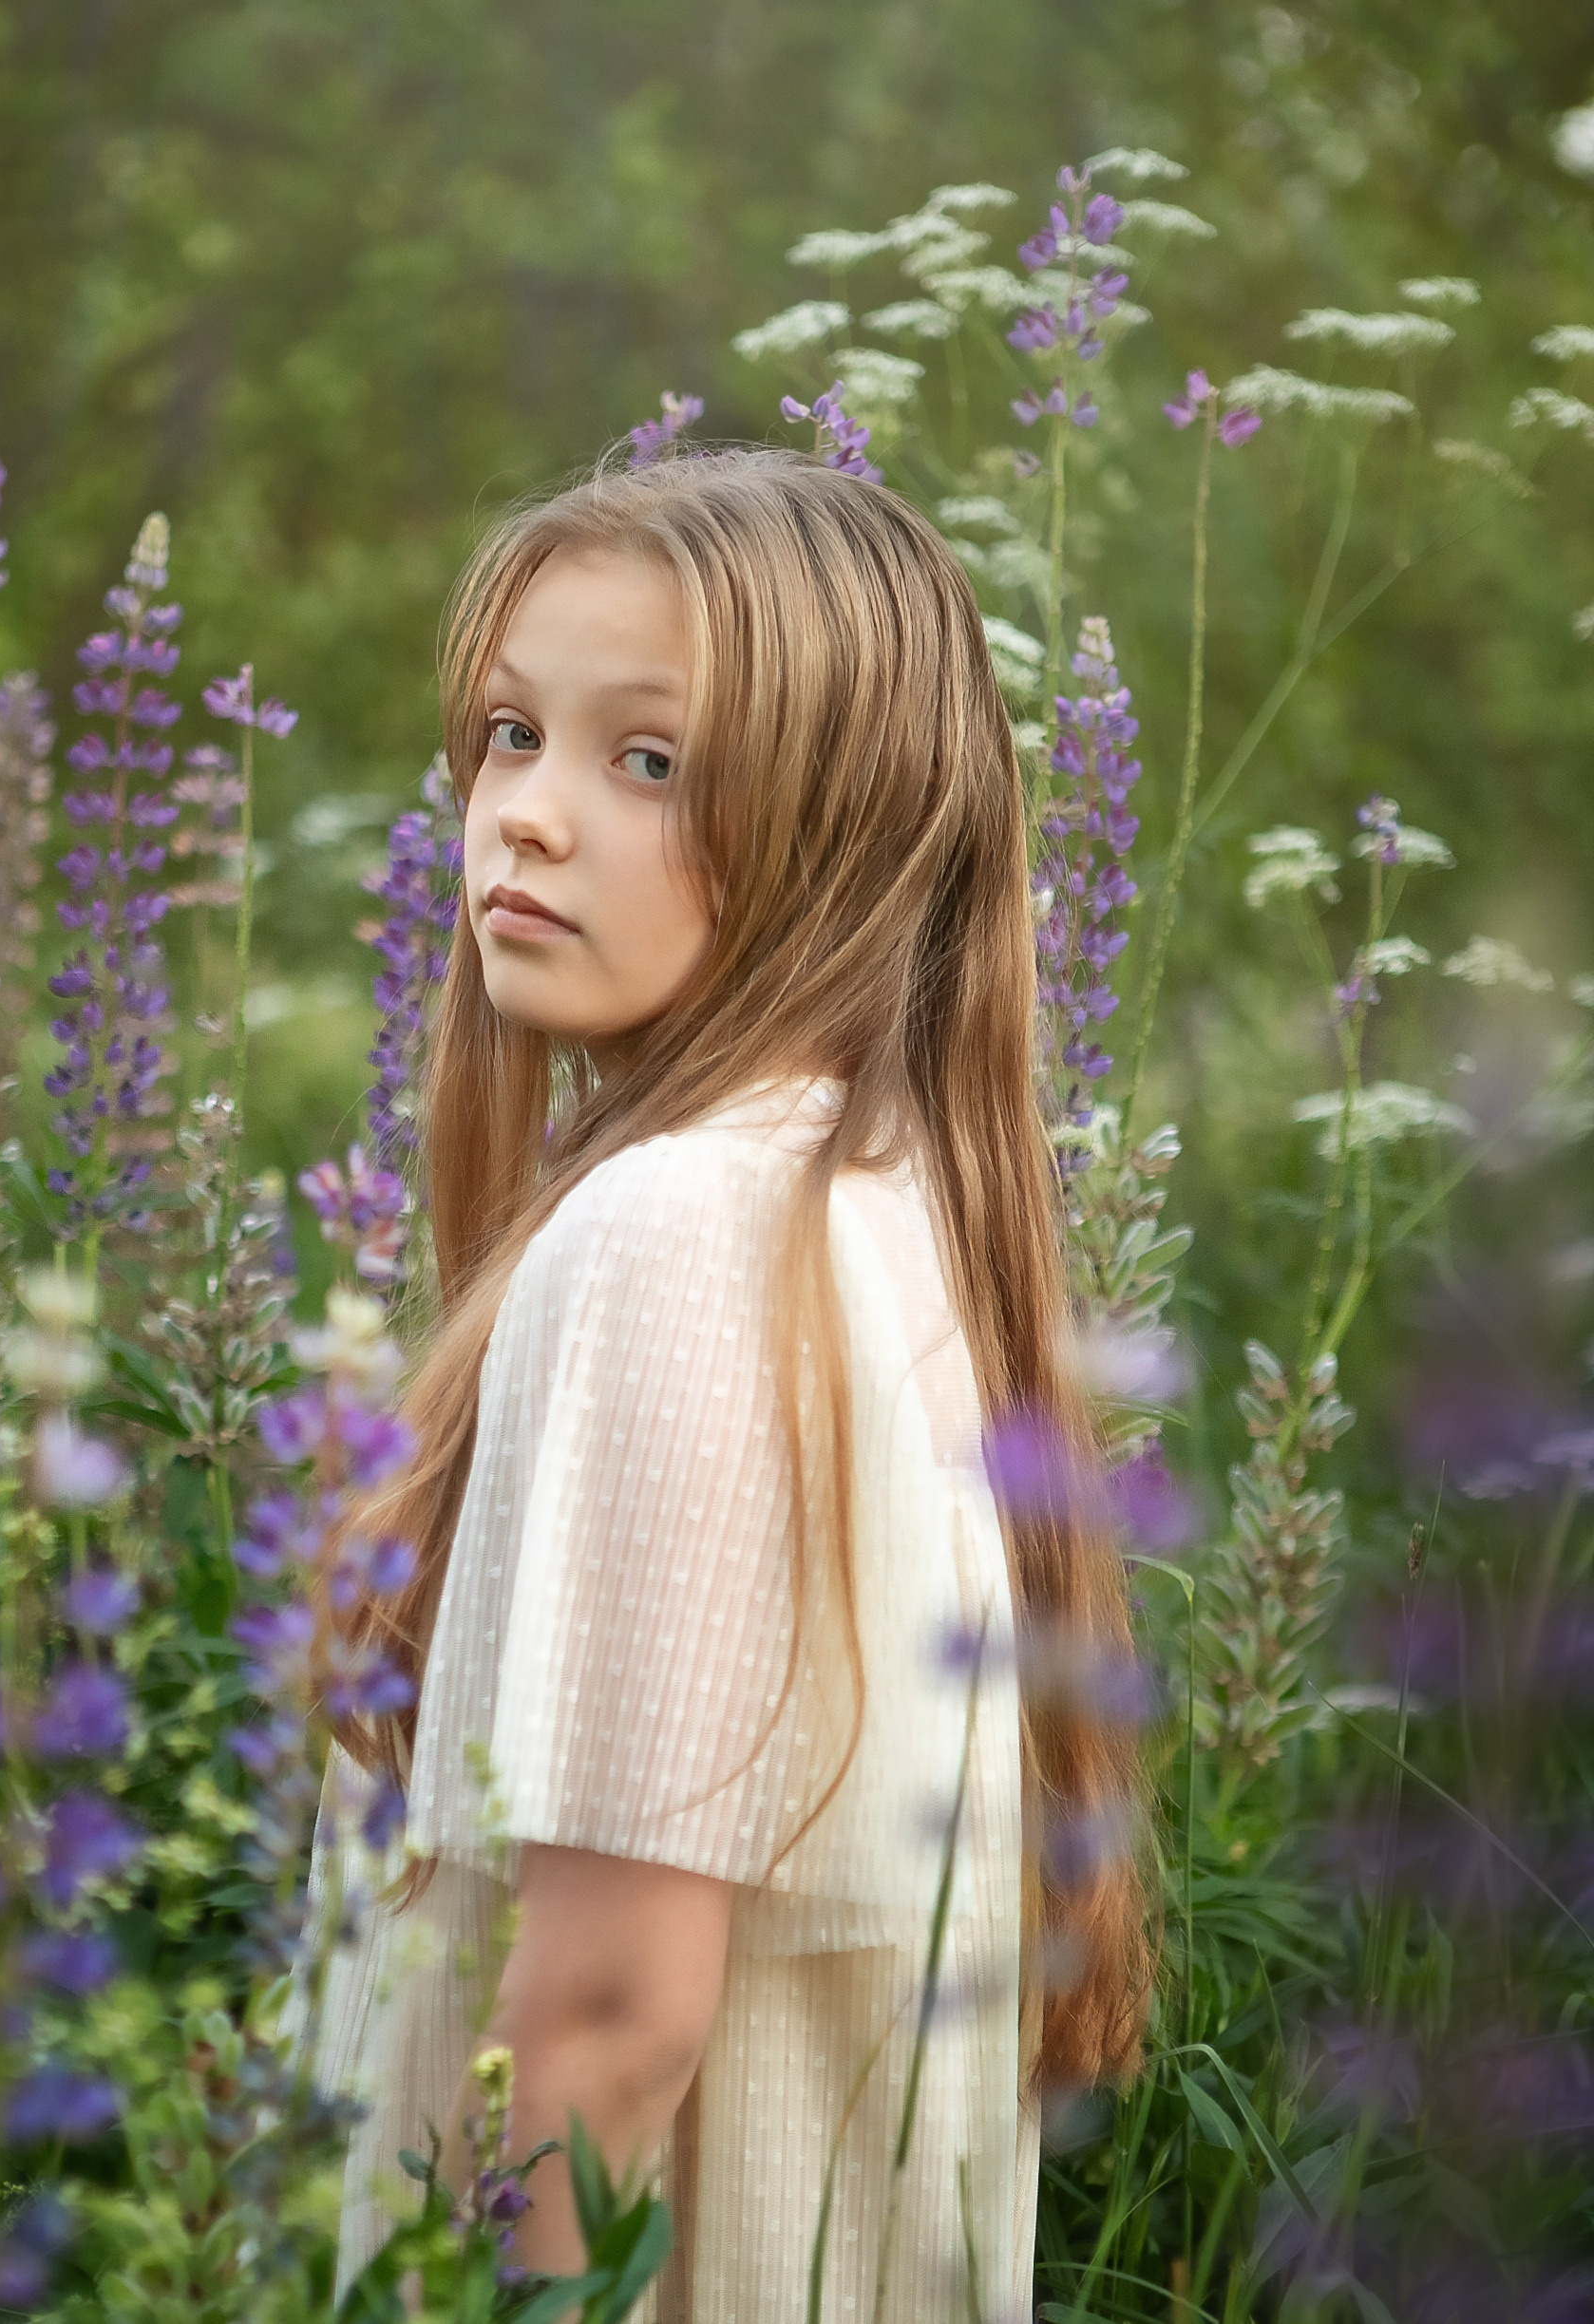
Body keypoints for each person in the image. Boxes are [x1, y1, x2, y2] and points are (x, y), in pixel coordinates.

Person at [310, 445, 1149, 2321]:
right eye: (508, 733)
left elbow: (605, 2022)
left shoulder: (680, 1238)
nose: (518, 817)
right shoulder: (890, 1217)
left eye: (646, 761)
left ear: (840, 827)